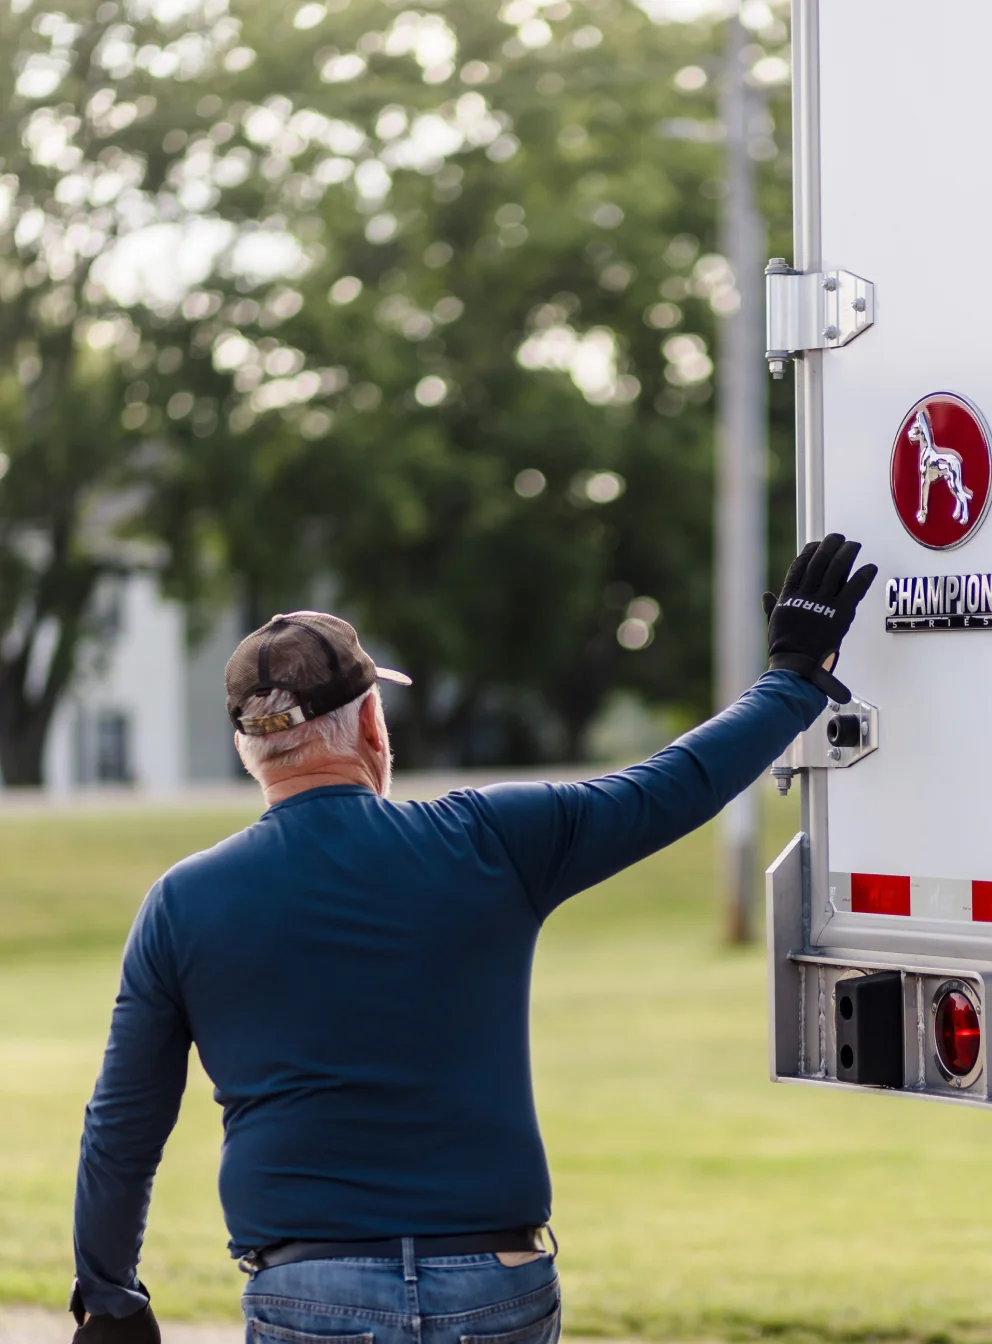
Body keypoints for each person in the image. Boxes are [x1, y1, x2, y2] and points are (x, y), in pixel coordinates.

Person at [69, 534, 878, 1344]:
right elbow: (670, 788)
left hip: (307, 1292)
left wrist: (110, 1296)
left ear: (252, 749)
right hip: (497, 1289)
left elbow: (123, 1125)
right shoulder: (490, 840)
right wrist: (792, 678)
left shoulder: (182, 903)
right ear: (372, 725)